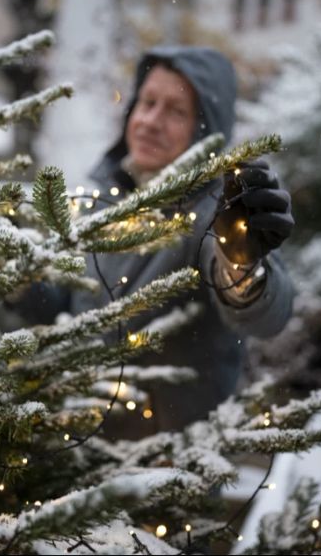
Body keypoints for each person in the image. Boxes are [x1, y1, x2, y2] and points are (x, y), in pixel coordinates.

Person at [24, 45, 294, 438]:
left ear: (205, 128)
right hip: (77, 457)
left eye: (175, 111)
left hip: (164, 472)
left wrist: (240, 264)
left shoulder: (215, 214)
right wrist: (20, 282)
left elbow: (268, 315)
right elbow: (74, 305)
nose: (151, 121)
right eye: (147, 102)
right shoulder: (106, 198)